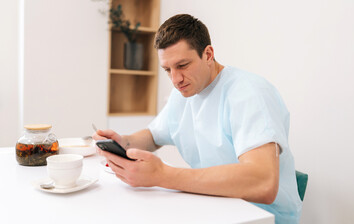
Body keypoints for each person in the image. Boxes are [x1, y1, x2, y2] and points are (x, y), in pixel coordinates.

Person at [93, 14, 302, 224]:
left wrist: (163, 175)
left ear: (208, 54)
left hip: (261, 217)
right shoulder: (184, 94)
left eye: (182, 65)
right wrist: (122, 143)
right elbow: (153, 136)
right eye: (168, 70)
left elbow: (263, 183)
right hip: (214, 208)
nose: (175, 80)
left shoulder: (249, 93)